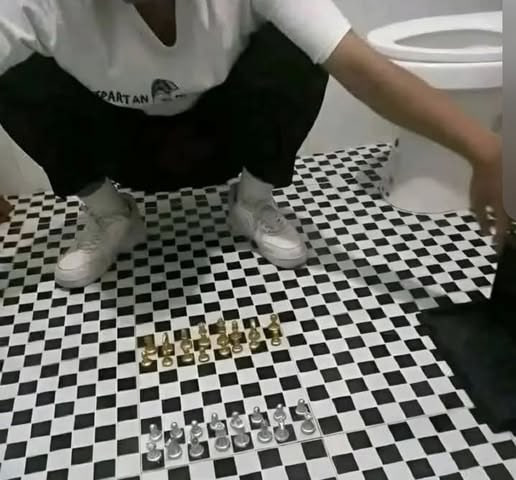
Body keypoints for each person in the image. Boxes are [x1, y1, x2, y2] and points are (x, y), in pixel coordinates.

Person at [0, 0, 509, 289]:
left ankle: (252, 203)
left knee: (301, 49)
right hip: (119, 146)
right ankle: (110, 214)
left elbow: (358, 66)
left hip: (221, 139)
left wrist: (484, 150)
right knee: (17, 77)